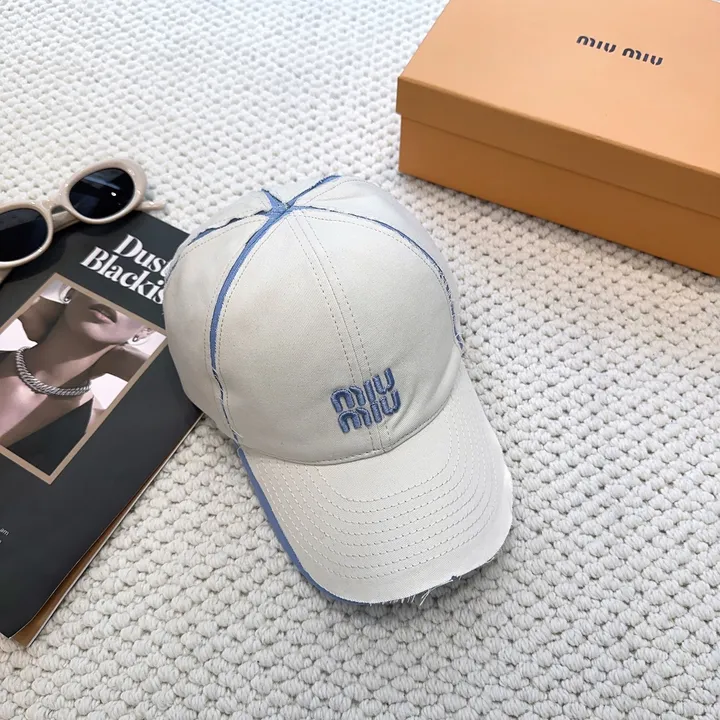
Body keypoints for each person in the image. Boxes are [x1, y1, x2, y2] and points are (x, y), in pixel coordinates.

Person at [0, 288, 153, 473]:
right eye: (105, 284)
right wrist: (28, 302)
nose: (116, 300)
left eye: (136, 301)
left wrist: (136, 363)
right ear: (72, 290)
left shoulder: (96, 428)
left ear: (146, 330)